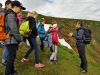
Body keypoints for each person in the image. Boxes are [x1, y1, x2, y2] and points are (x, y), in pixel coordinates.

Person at [4, 1, 26, 75]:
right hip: (10, 40)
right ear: (15, 7)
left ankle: (12, 72)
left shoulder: (10, 14)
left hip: (10, 39)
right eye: (20, 8)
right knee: (11, 58)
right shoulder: (11, 15)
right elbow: (14, 30)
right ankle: (7, 73)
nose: (20, 10)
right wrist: (20, 39)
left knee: (12, 57)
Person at [1, 0, 12, 67]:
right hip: (4, 32)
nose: (12, 6)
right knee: (7, 46)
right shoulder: (4, 12)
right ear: (7, 5)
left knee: (7, 46)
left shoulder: (6, 12)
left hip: (6, 31)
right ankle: (4, 60)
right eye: (11, 4)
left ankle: (5, 59)